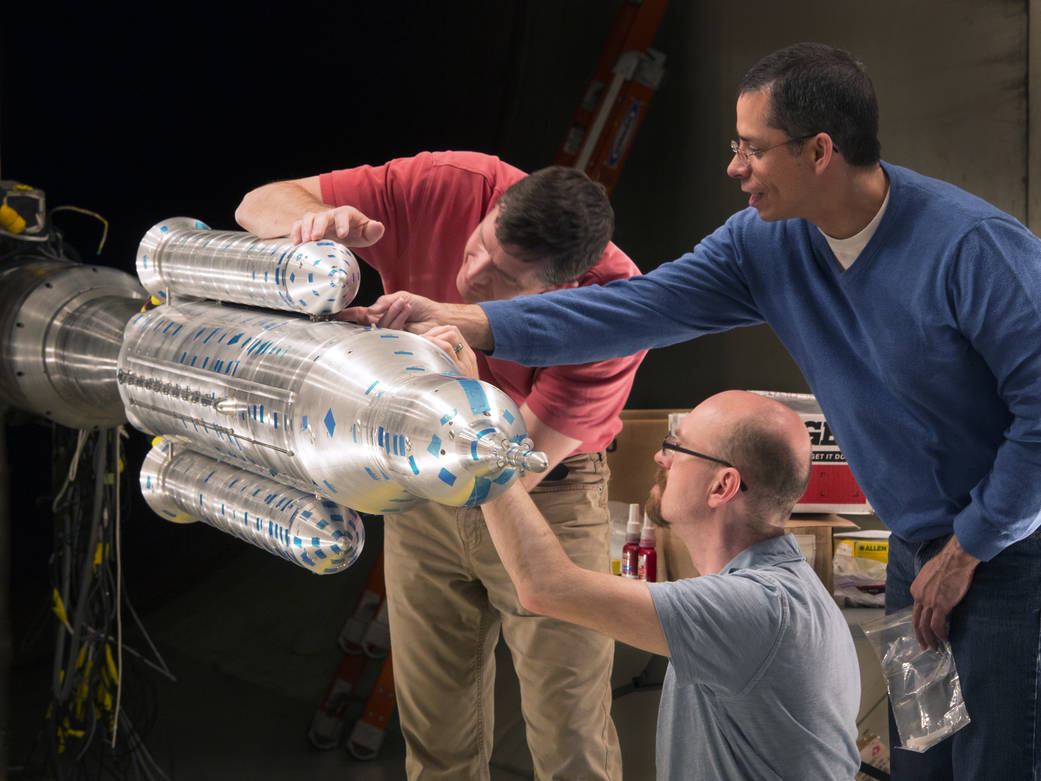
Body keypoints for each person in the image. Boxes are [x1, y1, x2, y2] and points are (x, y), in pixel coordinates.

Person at [372, 44, 1041, 780]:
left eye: (752, 148)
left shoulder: (972, 250)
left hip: (1006, 554)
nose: (734, 166)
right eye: (733, 146)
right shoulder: (766, 243)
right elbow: (634, 309)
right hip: (920, 553)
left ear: (819, 151)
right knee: (923, 755)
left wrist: (967, 548)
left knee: (994, 763)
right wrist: (473, 322)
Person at [235, 151, 645, 780]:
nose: (471, 277)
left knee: (572, 740)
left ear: (561, 288)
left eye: (505, 278)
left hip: (542, 503)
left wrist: (461, 386)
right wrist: (321, 223)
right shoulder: (452, 185)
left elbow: (516, 468)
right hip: (419, 484)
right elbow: (258, 202)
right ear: (490, 211)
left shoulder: (613, 307)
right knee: (434, 731)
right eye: (479, 245)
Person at [411, 360, 859, 780]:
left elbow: (545, 586)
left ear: (723, 486)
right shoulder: (778, 590)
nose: (660, 458)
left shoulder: (756, 608)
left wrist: (479, 430)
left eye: (677, 447)